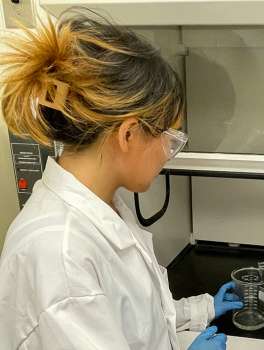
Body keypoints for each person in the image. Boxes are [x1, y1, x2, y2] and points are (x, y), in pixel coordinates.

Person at [0, 11, 242, 350]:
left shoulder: (102, 205)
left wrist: (200, 308)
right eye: (169, 138)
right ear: (128, 134)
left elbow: (128, 312)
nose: (169, 152)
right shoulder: (60, 254)